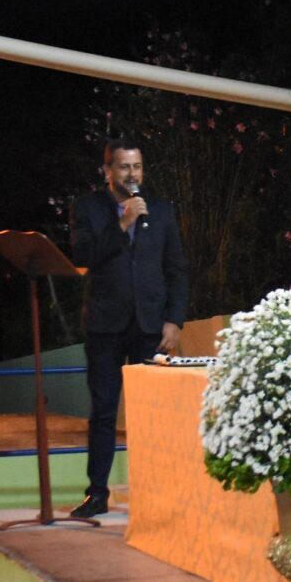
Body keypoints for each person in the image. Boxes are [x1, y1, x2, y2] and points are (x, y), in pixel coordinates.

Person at [69, 138, 189, 518]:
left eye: (137, 166)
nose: (132, 174)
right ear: (108, 171)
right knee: (104, 412)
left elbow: (176, 270)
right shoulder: (89, 208)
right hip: (105, 326)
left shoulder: (162, 211)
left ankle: (154, 492)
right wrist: (122, 223)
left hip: (149, 326)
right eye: (124, 167)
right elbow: (83, 256)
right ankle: (96, 494)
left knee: (151, 414)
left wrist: (174, 320)